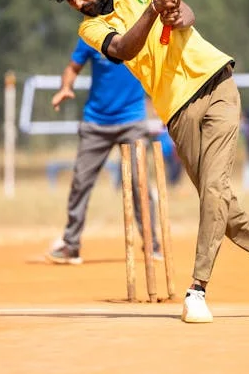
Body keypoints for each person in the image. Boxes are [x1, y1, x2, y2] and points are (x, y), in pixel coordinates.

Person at [45, 0, 249, 323]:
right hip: (176, 109)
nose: (77, 2)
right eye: (68, 0)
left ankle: (197, 289)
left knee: (213, 191)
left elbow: (187, 15)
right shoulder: (90, 29)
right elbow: (124, 48)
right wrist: (153, 11)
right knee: (223, 207)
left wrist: (177, 13)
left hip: (216, 83)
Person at [46, 38, 162, 265]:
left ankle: (152, 244)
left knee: (140, 185)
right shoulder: (92, 33)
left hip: (132, 120)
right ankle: (71, 245)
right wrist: (65, 87)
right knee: (80, 181)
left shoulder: (137, 30)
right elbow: (72, 67)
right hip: (95, 122)